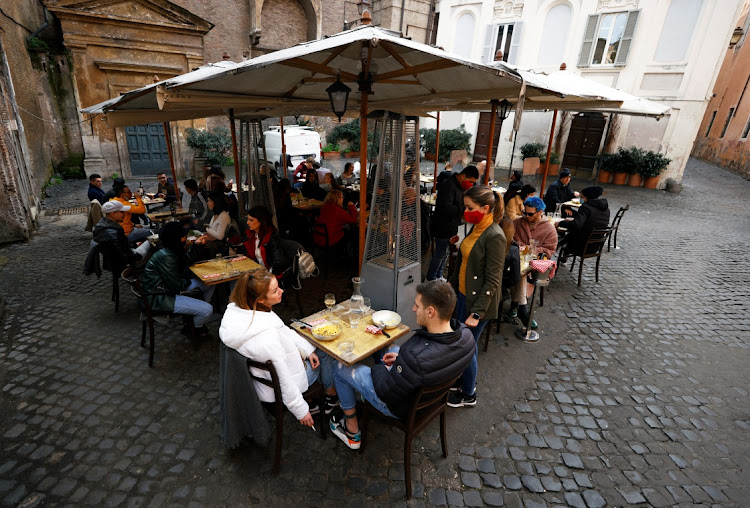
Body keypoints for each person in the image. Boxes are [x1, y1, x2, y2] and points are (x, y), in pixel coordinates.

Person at [329, 280, 475, 449]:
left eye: (417, 306)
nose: (413, 309)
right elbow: (424, 362)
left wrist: (380, 368)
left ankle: (352, 431)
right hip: (431, 398)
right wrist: (400, 361)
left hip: (401, 407)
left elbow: (385, 391)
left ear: (430, 312)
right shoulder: (466, 337)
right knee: (391, 347)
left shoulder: (414, 357)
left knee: (340, 366)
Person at [219, 269, 339, 428]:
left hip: (261, 380)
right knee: (324, 353)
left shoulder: (242, 312)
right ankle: (330, 397)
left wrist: (307, 350)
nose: (282, 291)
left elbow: (283, 330)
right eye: (275, 291)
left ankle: (316, 398)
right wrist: (300, 410)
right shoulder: (267, 339)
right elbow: (284, 381)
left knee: (314, 350)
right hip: (274, 388)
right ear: (261, 299)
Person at [447, 185, 506, 408]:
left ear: (486, 208)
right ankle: (463, 381)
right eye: (465, 206)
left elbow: (493, 280)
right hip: (463, 296)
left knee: (467, 347)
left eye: (470, 207)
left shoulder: (494, 236)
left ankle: (468, 393)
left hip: (478, 304)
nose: (466, 211)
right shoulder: (476, 227)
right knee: (462, 343)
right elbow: (463, 263)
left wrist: (476, 313)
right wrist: (449, 289)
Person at [141, 222, 215, 336]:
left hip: (165, 290)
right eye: (183, 236)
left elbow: (185, 262)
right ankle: (194, 329)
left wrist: (196, 245)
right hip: (160, 298)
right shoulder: (167, 256)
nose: (185, 238)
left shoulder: (168, 248)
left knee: (210, 283)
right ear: (176, 239)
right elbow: (178, 286)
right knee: (207, 310)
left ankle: (195, 311)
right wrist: (191, 284)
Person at [509, 196, 558, 329]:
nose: (527, 216)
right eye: (525, 212)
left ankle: (517, 305)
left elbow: (550, 249)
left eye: (530, 214)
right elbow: (508, 238)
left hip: (535, 265)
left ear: (540, 212)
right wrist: (516, 246)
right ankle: (522, 308)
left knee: (523, 272)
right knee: (519, 270)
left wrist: (533, 250)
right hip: (514, 260)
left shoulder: (549, 229)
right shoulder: (517, 223)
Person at [425, 165, 479, 281]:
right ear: (463, 176)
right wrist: (464, 209)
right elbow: (446, 208)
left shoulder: (460, 187)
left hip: (452, 227)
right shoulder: (448, 185)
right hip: (442, 226)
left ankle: (439, 275)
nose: (471, 185)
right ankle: (430, 277)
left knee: (446, 253)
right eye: (470, 181)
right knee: (440, 253)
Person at [557, 186, 610, 262]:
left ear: (587, 197)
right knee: (571, 233)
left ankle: (557, 252)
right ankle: (562, 255)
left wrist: (560, 223)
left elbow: (576, 224)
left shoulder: (586, 207)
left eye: (582, 197)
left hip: (581, 245)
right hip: (596, 244)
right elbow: (591, 222)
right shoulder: (605, 209)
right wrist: (573, 220)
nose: (581, 200)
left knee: (570, 233)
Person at [92, 200, 152, 265]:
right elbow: (125, 254)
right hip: (125, 260)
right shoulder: (115, 231)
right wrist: (134, 254)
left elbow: (120, 246)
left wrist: (134, 245)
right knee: (151, 241)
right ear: (113, 214)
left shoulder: (101, 225)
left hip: (110, 259)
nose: (124, 214)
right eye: (122, 212)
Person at [243, 205, 290, 274]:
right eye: (248, 219)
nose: (247, 222)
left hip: (270, 275)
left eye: (251, 220)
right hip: (258, 271)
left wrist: (266, 276)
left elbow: (277, 263)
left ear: (261, 221)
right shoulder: (252, 235)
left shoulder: (271, 237)